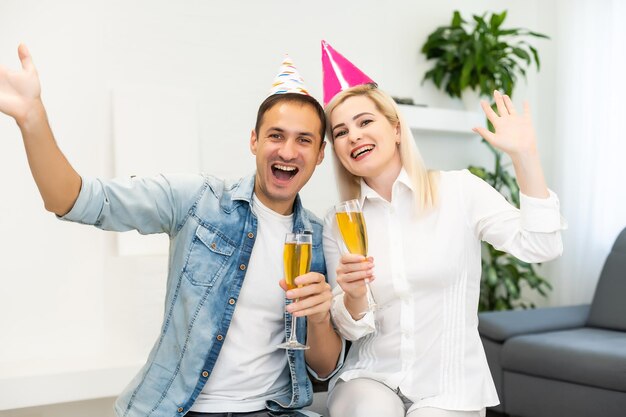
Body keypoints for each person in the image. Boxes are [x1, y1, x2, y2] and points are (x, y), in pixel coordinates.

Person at [0, 46, 343, 417]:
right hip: (181, 409)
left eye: (304, 140)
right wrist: (32, 118)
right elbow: (77, 199)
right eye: (276, 135)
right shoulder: (198, 200)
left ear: (321, 153)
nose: (288, 151)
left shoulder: (320, 238)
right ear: (254, 141)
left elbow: (324, 370)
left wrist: (321, 317)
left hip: (273, 409)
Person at [319, 40, 565, 417]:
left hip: (451, 388)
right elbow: (350, 331)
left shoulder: (460, 190)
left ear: (396, 129)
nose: (353, 135)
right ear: (336, 150)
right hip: (371, 379)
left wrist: (525, 156)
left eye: (365, 121)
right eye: (340, 132)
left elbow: (540, 246)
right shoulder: (339, 222)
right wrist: (352, 295)